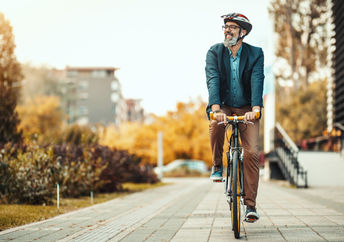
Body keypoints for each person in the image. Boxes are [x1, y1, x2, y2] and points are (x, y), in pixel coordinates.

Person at [205, 12, 264, 223]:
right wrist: (216, 108)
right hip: (224, 106)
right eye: (225, 26)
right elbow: (212, 79)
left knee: (251, 154)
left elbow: (258, 79)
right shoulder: (214, 52)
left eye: (232, 27)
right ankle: (217, 166)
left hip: (247, 107)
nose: (227, 30)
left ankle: (250, 206)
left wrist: (256, 108)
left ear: (243, 32)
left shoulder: (256, 53)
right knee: (216, 124)